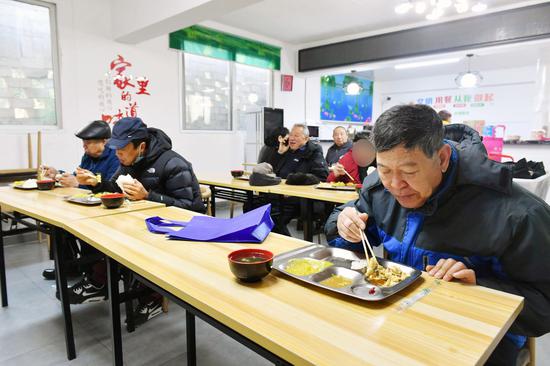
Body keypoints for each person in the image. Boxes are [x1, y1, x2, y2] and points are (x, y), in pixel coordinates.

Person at [325, 104, 550, 366]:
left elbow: (544, 305)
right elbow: (351, 225)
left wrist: (479, 287)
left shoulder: (517, 214)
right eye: (384, 170)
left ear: (442, 158)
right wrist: (344, 225)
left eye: (409, 172)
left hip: (482, 331)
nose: (395, 185)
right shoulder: (380, 189)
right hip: (401, 311)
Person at [70, 117, 205, 325]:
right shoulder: (128, 162)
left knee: (139, 245)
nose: (117, 155)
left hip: (179, 228)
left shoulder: (173, 163)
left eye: (121, 151)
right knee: (103, 234)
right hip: (144, 222)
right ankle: (101, 282)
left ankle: (153, 298)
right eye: (115, 150)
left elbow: (192, 208)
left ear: (141, 146)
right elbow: (115, 188)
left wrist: (148, 196)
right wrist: (96, 183)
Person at [41, 120, 119, 280]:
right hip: (86, 205)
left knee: (82, 228)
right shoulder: (88, 156)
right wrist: (59, 174)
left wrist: (78, 184)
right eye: (84, 144)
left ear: (104, 141)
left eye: (88, 143)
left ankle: (92, 273)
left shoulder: (115, 157)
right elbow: (78, 176)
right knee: (58, 226)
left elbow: (111, 187)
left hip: (106, 210)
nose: (84, 147)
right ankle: (67, 267)